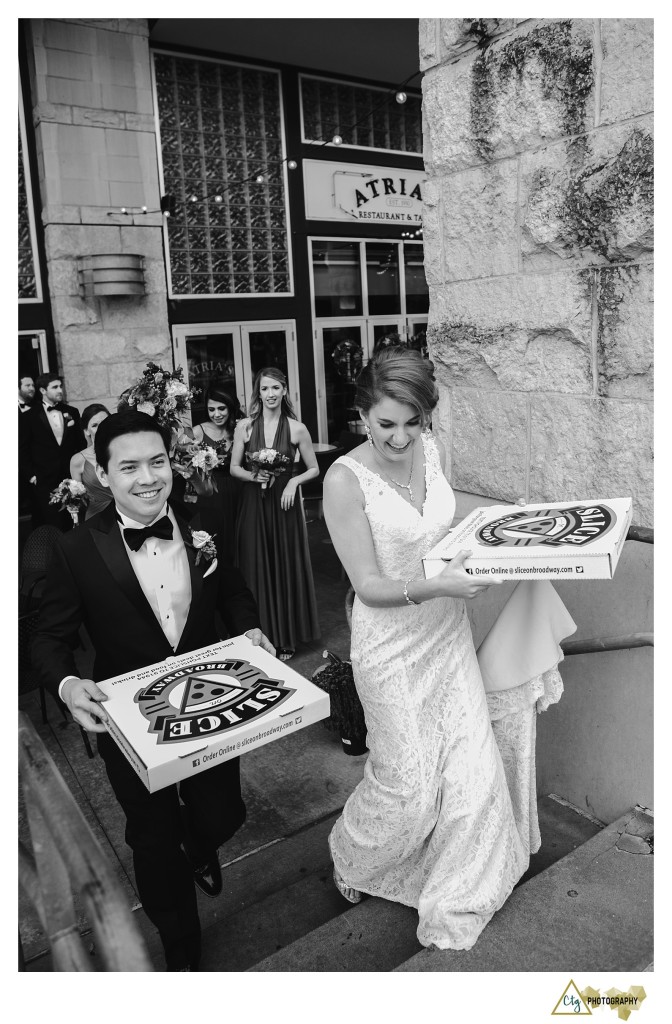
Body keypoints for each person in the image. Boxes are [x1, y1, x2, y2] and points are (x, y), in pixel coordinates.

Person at [32, 410, 275, 972]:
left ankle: (195, 847)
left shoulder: (203, 524)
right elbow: (48, 637)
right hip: (131, 723)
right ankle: (180, 945)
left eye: (158, 462)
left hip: (210, 703)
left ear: (172, 463)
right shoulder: (76, 550)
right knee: (152, 837)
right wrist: (68, 685)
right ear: (102, 472)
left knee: (223, 815)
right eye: (130, 466)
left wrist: (249, 628)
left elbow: (234, 592)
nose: (148, 478)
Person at [322, 346, 530, 950]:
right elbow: (368, 586)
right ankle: (352, 856)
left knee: (470, 770)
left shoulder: (432, 451)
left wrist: (507, 530)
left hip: (447, 634)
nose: (402, 436)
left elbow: (448, 522)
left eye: (414, 422)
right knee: (406, 783)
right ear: (361, 415)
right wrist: (439, 584)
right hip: (390, 647)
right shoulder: (343, 479)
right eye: (386, 423)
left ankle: (465, 886)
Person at [230, 367, 320, 661]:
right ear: (258, 392)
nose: (270, 394)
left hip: (284, 505)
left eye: (275, 388)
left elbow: (314, 468)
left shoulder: (296, 428)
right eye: (264, 389)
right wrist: (251, 477)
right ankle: (260, 635)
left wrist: (293, 481)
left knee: (284, 564)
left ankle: (285, 636)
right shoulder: (244, 426)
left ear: (284, 391)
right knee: (256, 565)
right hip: (254, 503)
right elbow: (234, 468)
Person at [19, 372, 85, 529]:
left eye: (60, 386)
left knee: (74, 522)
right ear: (42, 391)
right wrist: (32, 476)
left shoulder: (72, 412)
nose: (60, 390)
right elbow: (22, 448)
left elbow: (80, 444)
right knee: (51, 523)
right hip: (44, 481)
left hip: (70, 479)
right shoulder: (28, 416)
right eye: (54, 387)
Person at [190, 386, 242, 563]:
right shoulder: (198, 432)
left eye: (221, 408)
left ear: (230, 407)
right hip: (211, 495)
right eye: (211, 409)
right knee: (216, 542)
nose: (216, 414)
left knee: (240, 541)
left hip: (240, 493)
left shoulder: (240, 429)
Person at [69, 403, 112, 520]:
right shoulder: (78, 460)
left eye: (105, 422)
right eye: (94, 425)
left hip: (127, 513)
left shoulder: (125, 452)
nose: (101, 428)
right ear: (86, 431)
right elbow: (76, 500)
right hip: (96, 517)